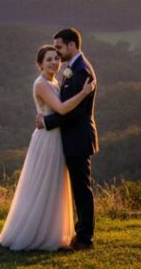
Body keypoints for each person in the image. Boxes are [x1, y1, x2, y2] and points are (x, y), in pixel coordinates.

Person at [0, 44, 95, 251]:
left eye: (56, 58)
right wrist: (84, 93)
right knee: (43, 185)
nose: (53, 62)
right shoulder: (41, 84)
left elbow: (57, 112)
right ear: (39, 64)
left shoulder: (56, 82)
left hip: (58, 139)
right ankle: (35, 232)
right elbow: (60, 109)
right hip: (47, 140)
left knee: (55, 186)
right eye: (48, 59)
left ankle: (53, 233)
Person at [36, 27, 98, 250]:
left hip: (79, 138)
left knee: (82, 189)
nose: (58, 54)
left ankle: (84, 239)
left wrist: (47, 122)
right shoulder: (73, 68)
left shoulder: (82, 71)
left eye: (60, 48)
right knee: (78, 188)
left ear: (72, 45)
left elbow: (77, 111)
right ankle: (79, 233)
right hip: (72, 138)